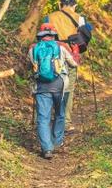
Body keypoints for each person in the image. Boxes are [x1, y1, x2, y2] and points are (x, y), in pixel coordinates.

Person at [28, 23, 78, 159]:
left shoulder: (33, 48)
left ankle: (47, 149)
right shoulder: (61, 46)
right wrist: (74, 50)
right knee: (60, 114)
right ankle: (57, 142)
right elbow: (74, 63)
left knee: (43, 118)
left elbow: (32, 65)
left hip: (41, 87)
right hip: (60, 86)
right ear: (54, 34)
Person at [43, 0, 92, 132]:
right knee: (68, 88)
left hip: (53, 55)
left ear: (60, 5)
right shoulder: (79, 18)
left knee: (53, 85)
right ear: (74, 5)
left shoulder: (49, 17)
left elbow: (43, 35)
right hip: (71, 54)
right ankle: (65, 121)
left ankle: (52, 118)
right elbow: (86, 36)